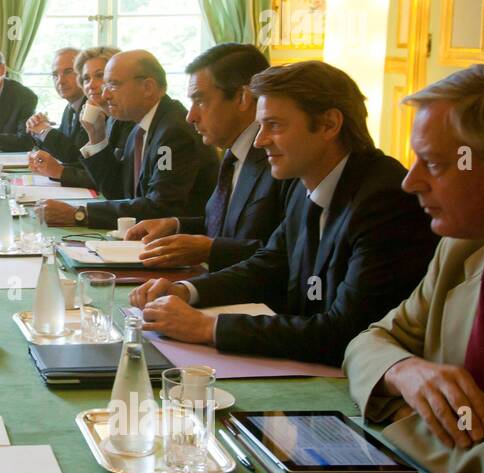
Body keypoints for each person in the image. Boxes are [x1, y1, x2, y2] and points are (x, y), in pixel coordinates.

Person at [131, 61, 438, 367]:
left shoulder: (385, 200)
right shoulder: (305, 182)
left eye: (274, 125)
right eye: (261, 125)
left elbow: (346, 332)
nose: (259, 140)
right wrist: (186, 290)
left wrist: (207, 327)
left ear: (330, 124)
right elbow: (270, 266)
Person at [344, 65, 484, 473]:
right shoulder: (463, 250)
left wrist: (400, 416)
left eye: (435, 164)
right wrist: (406, 373)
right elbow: (366, 343)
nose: (409, 181)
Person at [124, 43, 290, 271]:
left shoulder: (281, 157)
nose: (190, 116)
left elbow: (286, 254)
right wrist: (175, 225)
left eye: (200, 100)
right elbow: (224, 226)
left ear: (242, 98)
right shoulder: (234, 153)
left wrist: (210, 250)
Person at [32, 49, 218, 229]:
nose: (105, 95)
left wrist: (79, 213)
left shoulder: (174, 133)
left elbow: (160, 208)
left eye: (113, 84)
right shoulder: (139, 128)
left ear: (148, 87)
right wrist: (97, 139)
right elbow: (118, 192)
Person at [0, 47, 83, 155]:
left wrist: (44, 131)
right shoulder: (70, 108)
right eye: (55, 75)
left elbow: (74, 156)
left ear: (83, 73)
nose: (60, 81)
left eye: (68, 72)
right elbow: (61, 150)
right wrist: (39, 129)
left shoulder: (91, 107)